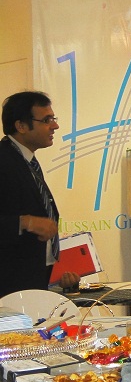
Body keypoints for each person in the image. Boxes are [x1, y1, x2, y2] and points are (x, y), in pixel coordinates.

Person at [0, 91, 79, 297]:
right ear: (21, 126)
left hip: (33, 280)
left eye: (53, 118)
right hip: (10, 288)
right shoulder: (4, 160)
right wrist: (24, 222)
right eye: (46, 120)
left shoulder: (26, 161)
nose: (55, 126)